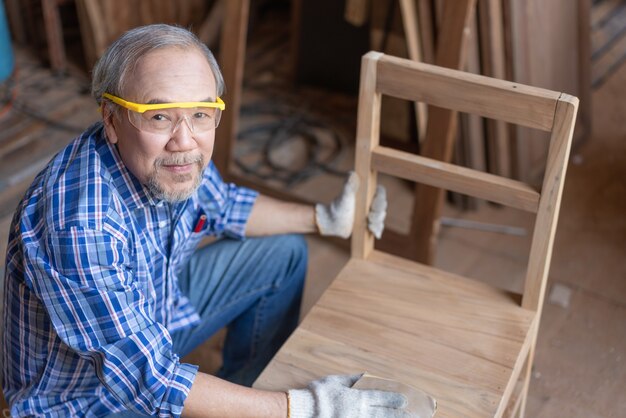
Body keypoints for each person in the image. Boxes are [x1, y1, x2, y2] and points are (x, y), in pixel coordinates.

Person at [1, 24, 411, 417]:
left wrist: (326, 219)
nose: (184, 140)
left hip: (157, 316)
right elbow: (151, 381)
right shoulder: (80, 223)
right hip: (90, 400)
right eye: (159, 116)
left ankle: (244, 390)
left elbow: (223, 205)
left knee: (283, 255)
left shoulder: (169, 159)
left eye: (200, 113)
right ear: (111, 119)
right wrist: (309, 408)